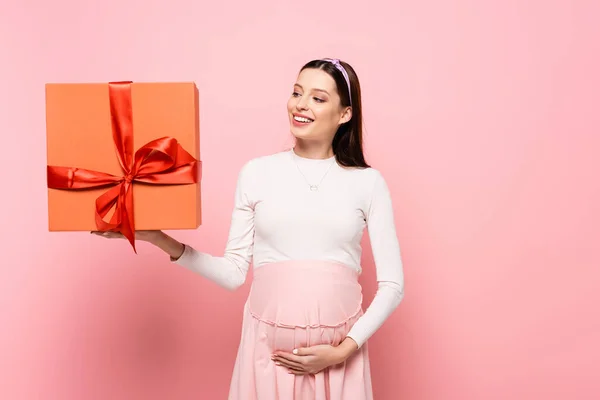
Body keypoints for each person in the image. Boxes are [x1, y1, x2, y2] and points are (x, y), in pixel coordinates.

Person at [94, 58, 405, 400]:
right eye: (297, 92)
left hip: (339, 365)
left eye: (318, 98)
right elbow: (233, 273)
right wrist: (157, 237)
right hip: (266, 362)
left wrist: (343, 350)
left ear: (345, 114)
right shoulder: (257, 173)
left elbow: (392, 286)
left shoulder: (368, 182)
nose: (301, 104)